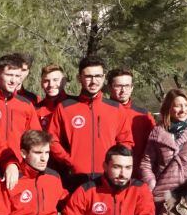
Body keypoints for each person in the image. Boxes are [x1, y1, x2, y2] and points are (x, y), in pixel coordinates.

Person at [48, 55, 133, 187]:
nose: (94, 81)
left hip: (107, 178)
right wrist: (69, 161)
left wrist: (115, 165)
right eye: (88, 77)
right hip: (76, 177)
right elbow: (52, 140)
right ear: (79, 78)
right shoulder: (65, 108)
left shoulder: (116, 109)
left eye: (98, 76)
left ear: (104, 78)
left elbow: (126, 141)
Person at [0, 53, 41, 159]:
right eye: (9, 75)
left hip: (18, 164)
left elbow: (35, 138)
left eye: (17, 76)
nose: (13, 80)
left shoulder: (26, 105)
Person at [107, 68, 155, 162]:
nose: (123, 90)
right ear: (109, 87)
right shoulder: (101, 113)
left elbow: (154, 146)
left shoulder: (144, 116)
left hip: (138, 173)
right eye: (118, 86)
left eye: (127, 86)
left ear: (132, 87)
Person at [35, 64, 70, 131]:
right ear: (41, 83)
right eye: (46, 81)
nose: (51, 84)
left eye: (55, 80)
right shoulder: (36, 110)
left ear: (64, 81)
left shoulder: (75, 105)